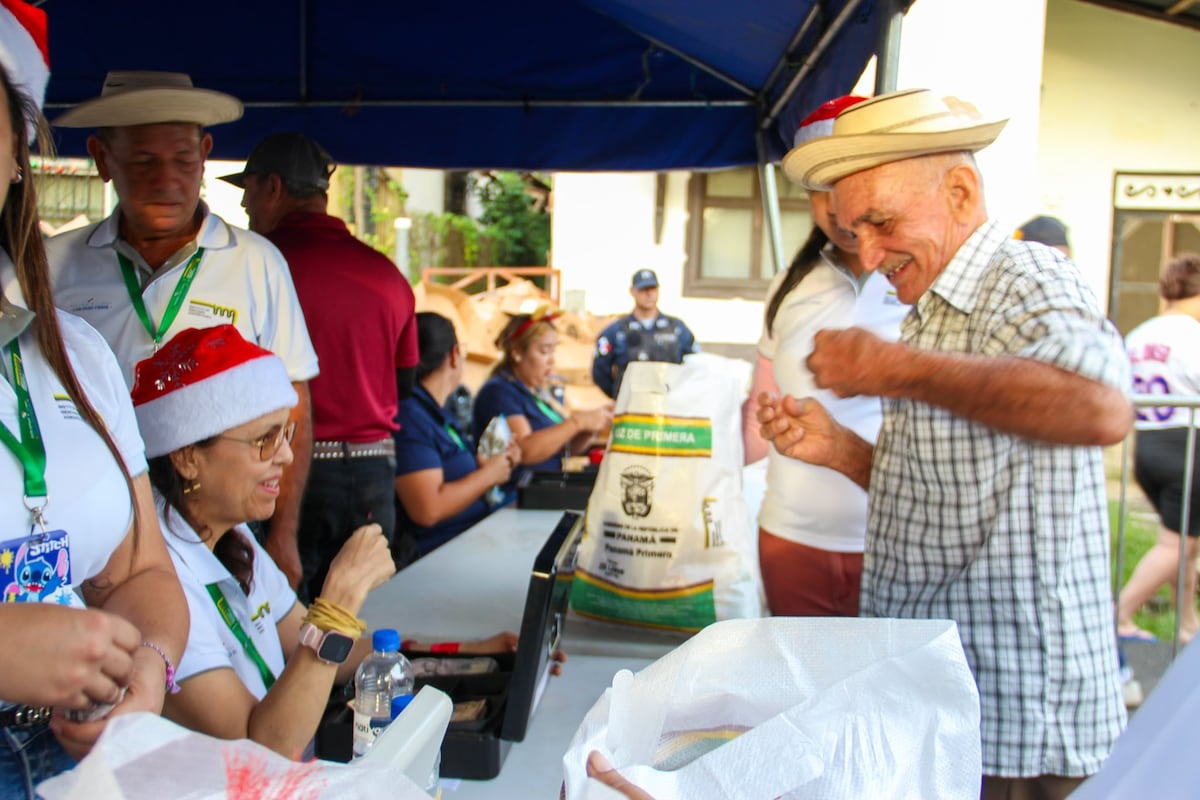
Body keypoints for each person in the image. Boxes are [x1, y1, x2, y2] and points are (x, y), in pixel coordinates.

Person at [760, 88, 1131, 797]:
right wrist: (842, 449)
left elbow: (1101, 408)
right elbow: (948, 495)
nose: (866, 255)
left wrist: (895, 367)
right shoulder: (928, 305)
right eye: (851, 230)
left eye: (881, 222)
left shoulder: (1025, 274)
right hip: (953, 699)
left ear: (960, 190)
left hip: (1018, 711)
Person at [132, 325, 521, 759]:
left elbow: (327, 653)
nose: (285, 456)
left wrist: (470, 654)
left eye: (286, 435)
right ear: (187, 457)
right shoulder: (158, 585)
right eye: (264, 440)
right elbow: (268, 747)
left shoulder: (233, 539)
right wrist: (337, 605)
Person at [0, 16, 188, 796]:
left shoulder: (73, 349)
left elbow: (138, 568)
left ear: (18, 152)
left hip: (77, 762)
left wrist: (147, 664)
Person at [45, 71, 320, 591]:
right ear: (102, 159)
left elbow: (294, 405)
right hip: (92, 526)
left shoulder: (256, 262)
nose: (167, 180)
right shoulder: (50, 265)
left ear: (207, 153)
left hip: (225, 530)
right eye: (143, 161)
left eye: (184, 160)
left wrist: (282, 534)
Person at [220, 132, 419, 597]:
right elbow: (404, 383)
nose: (246, 208)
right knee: (358, 627)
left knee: (283, 625)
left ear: (273, 188)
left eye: (248, 193)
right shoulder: (387, 274)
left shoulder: (257, 268)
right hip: (374, 473)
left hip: (286, 475)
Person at [741, 95, 908, 618]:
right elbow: (759, 406)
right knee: (801, 688)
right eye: (820, 191)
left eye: (848, 184)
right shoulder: (790, 286)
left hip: (897, 541)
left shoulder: (916, 279)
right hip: (791, 537)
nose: (838, 209)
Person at [1119, 253, 1200, 644]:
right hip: (1187, 445)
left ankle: (1188, 625)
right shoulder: (1192, 335)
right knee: (1177, 544)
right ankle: (1119, 616)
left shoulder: (1140, 334)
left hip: (1148, 444)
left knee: (1182, 542)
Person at [394, 312, 520, 556]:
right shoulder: (410, 416)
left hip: (473, 538)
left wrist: (488, 463)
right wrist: (488, 475)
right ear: (453, 355)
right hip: (444, 553)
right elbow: (428, 509)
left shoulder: (435, 412)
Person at [473, 306, 613, 499]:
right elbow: (526, 451)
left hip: (542, 492)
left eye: (553, 351)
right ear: (517, 352)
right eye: (544, 351)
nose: (551, 361)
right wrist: (577, 422)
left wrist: (591, 427)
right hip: (513, 499)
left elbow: (559, 447)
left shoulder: (537, 393)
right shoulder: (499, 392)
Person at [592, 269, 698, 399]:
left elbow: (694, 364)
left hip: (669, 405)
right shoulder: (617, 331)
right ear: (632, 292)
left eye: (652, 288)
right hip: (631, 407)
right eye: (643, 289)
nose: (649, 294)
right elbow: (600, 371)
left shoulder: (676, 329)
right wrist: (619, 395)